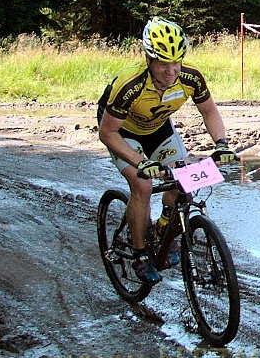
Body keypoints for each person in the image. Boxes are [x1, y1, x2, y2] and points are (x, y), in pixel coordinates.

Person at [97, 17, 236, 285]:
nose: (170, 71)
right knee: (143, 185)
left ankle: (163, 228)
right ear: (148, 59)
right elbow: (107, 133)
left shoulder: (190, 77)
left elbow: (209, 110)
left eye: (176, 62)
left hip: (159, 129)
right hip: (122, 132)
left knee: (184, 183)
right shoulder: (129, 85)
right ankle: (140, 254)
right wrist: (140, 162)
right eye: (162, 63)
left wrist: (221, 144)